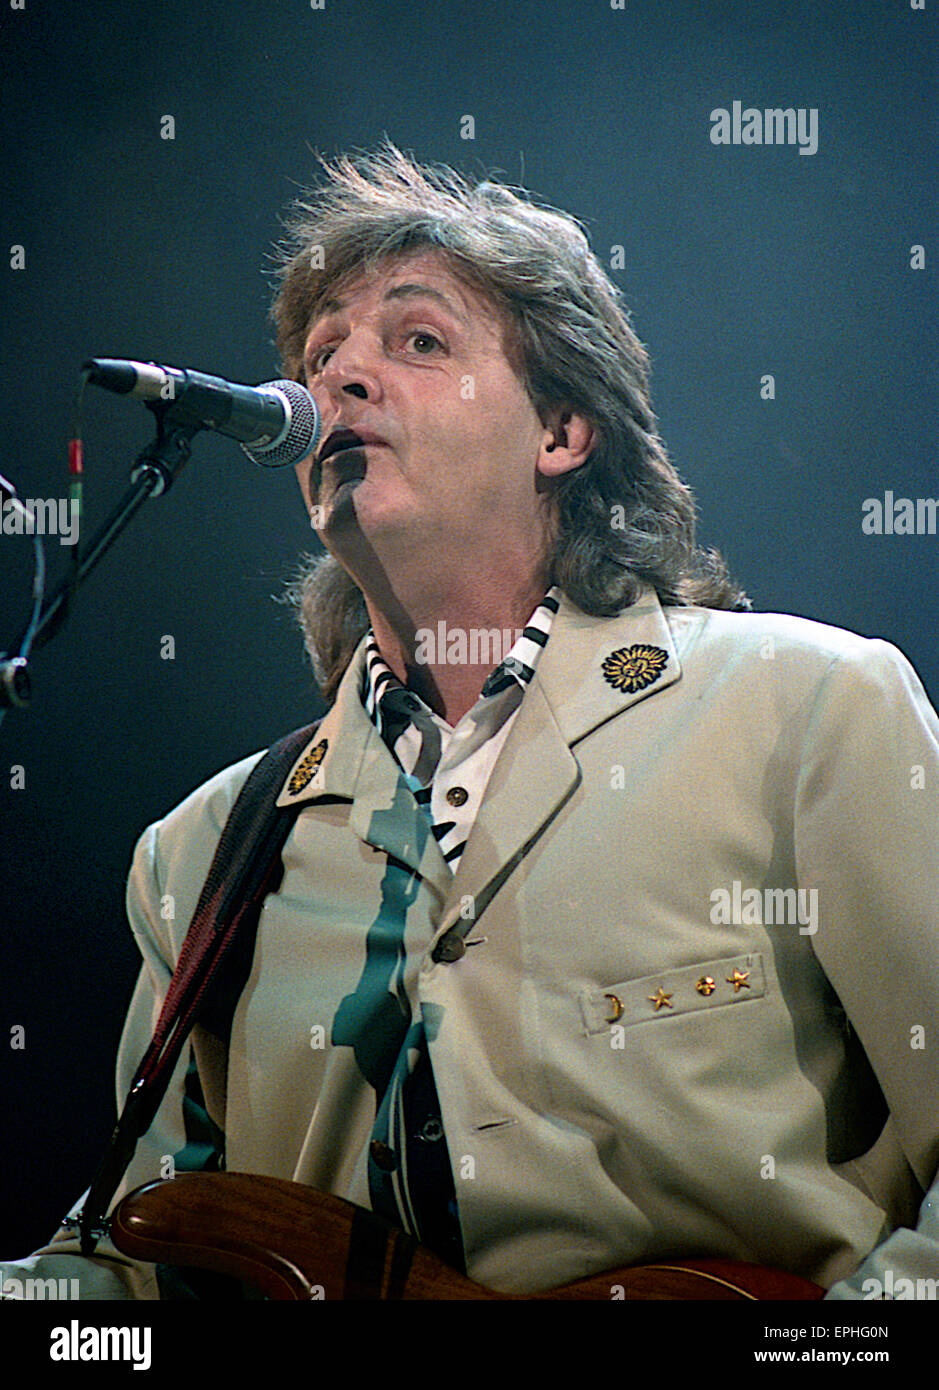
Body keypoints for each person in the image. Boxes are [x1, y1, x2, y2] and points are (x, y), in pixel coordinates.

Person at [3, 143, 937, 1301]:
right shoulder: (198, 859)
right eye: (320, 353)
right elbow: (130, 1279)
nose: (337, 377)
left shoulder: (807, 712)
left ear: (561, 432)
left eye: (418, 339)